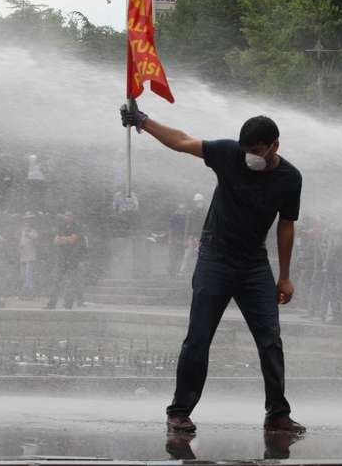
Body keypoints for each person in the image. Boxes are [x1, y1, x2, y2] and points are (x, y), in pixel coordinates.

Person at [121, 103, 305, 434]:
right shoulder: (228, 154)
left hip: (254, 265)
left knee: (270, 339)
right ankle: (179, 411)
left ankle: (277, 413)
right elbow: (181, 141)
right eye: (246, 149)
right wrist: (142, 121)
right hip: (215, 258)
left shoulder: (289, 179)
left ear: (275, 146)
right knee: (199, 337)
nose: (249, 156)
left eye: (257, 151)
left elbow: (286, 225)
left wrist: (285, 276)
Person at [46, 211, 85, 309]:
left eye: (69, 216)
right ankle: (52, 303)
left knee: (71, 282)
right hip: (62, 258)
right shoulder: (61, 227)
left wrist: (62, 239)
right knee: (57, 281)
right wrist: (67, 239)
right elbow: (56, 241)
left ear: (73, 217)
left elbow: (73, 240)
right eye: (66, 216)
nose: (67, 218)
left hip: (73, 259)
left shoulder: (77, 227)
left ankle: (68, 304)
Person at [179, 193, 206, 276]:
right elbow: (187, 226)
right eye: (198, 202)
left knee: (200, 255)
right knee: (187, 254)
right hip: (192, 236)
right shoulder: (191, 213)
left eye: (200, 201)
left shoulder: (205, 212)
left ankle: (199, 271)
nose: (199, 203)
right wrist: (186, 238)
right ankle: (182, 271)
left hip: (201, 236)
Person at [19, 214, 39, 299]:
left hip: (30, 257)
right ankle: (25, 293)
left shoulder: (33, 231)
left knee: (28, 276)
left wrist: (28, 234)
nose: (26, 223)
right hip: (23, 257)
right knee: (23, 276)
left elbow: (35, 238)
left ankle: (30, 293)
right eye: (25, 221)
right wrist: (20, 246)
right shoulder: (23, 232)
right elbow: (22, 242)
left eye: (28, 221)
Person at [167, 203, 188, 278]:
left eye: (182, 209)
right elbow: (171, 228)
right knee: (173, 255)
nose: (181, 210)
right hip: (176, 237)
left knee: (179, 255)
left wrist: (185, 238)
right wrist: (170, 238)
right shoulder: (174, 216)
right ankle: (171, 271)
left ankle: (175, 271)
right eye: (180, 209)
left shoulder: (185, 216)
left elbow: (186, 228)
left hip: (181, 237)